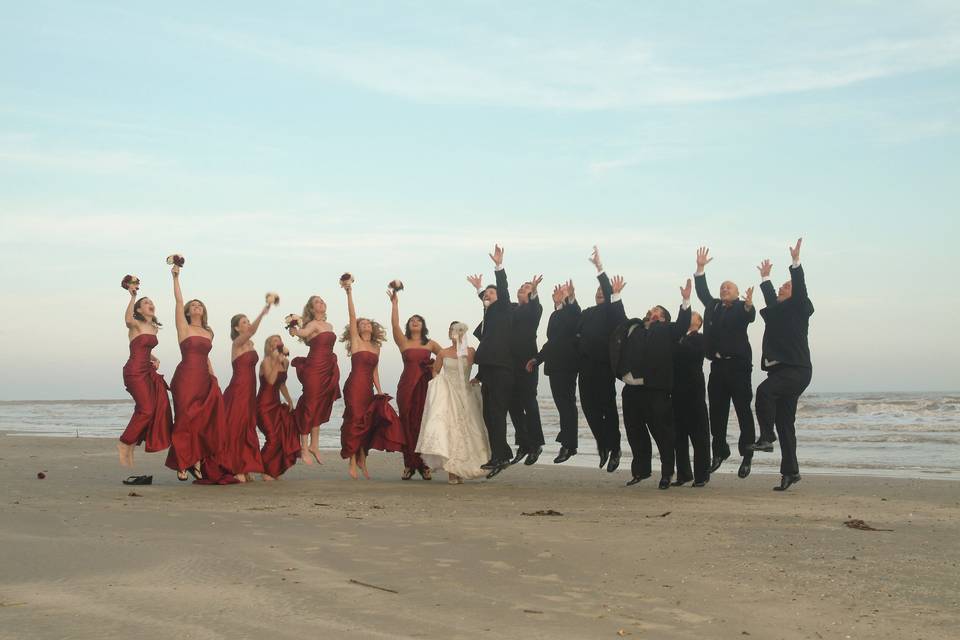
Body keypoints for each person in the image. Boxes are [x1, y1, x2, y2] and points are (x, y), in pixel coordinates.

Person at [610, 280, 692, 489]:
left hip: (655, 390)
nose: (651, 312)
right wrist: (616, 294)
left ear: (663, 319)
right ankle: (641, 471)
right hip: (631, 390)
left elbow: (683, 325)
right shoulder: (634, 327)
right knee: (634, 432)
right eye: (651, 310)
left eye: (656, 311)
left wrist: (685, 300)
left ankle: (667, 473)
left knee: (663, 434)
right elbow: (619, 318)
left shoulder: (667, 331)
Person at [751, 239, 814, 491]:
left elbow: (800, 289)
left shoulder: (799, 307)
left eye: (785, 286)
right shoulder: (778, 311)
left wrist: (795, 264)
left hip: (796, 369)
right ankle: (791, 472)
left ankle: (766, 437)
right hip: (782, 370)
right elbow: (771, 301)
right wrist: (765, 279)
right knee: (785, 422)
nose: (782, 287)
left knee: (764, 392)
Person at [694, 247, 757, 479]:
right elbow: (702, 291)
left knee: (742, 410)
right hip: (718, 368)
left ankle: (747, 454)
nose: (724, 289)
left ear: (738, 293)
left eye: (728, 287)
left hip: (739, 367)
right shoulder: (712, 306)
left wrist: (749, 304)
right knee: (717, 412)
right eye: (722, 287)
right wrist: (700, 268)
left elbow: (750, 315)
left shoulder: (742, 308)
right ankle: (720, 451)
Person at [164, 264, 226, 482]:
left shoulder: (209, 332)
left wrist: (213, 377)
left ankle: (196, 461)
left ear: (203, 311)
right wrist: (175, 277)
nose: (197, 307)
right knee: (184, 420)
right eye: (194, 305)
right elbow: (178, 302)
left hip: (203, 378)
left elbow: (206, 356)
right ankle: (182, 463)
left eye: (200, 305)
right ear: (188, 311)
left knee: (201, 421)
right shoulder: (184, 328)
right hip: (185, 378)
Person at [339, 278, 405, 479]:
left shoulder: (377, 347)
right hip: (354, 386)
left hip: (367, 388)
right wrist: (349, 292)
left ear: (372, 328)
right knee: (354, 421)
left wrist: (379, 390)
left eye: (368, 323)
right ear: (357, 329)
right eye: (362, 323)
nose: (365, 324)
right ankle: (352, 460)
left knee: (366, 423)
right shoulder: (356, 342)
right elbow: (352, 315)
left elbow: (375, 371)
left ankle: (362, 459)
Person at [199, 304, 271, 483]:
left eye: (248, 321)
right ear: (237, 328)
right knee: (236, 428)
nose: (247, 324)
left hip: (249, 391)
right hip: (238, 389)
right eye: (244, 322)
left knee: (247, 427)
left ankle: (245, 467)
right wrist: (262, 311)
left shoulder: (251, 344)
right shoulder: (237, 343)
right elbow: (252, 331)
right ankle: (234, 467)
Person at [416, 322, 492, 483]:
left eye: (458, 330)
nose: (454, 333)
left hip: (466, 394)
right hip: (448, 395)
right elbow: (435, 370)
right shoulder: (443, 353)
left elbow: (485, 365)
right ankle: (452, 470)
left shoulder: (471, 351)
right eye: (451, 330)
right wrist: (439, 383)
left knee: (469, 431)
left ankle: (463, 469)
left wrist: (477, 378)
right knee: (450, 430)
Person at [576, 246, 627, 472]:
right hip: (585, 367)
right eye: (597, 292)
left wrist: (599, 268)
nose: (599, 294)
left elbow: (611, 297)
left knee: (607, 408)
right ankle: (602, 444)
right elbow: (576, 332)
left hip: (604, 367)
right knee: (589, 408)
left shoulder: (612, 311)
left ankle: (614, 449)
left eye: (602, 292)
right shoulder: (587, 312)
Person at [468, 244, 515, 478]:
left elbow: (502, 291)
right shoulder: (489, 313)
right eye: (485, 295)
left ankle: (501, 456)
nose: (487, 296)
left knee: (496, 413)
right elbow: (486, 301)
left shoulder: (504, 308)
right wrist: (479, 289)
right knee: (489, 415)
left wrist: (499, 266)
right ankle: (500, 455)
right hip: (488, 370)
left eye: (490, 293)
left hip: (502, 370)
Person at [118, 282, 173, 470]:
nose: (151, 304)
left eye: (152, 302)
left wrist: (154, 358)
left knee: (149, 409)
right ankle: (125, 443)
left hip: (147, 371)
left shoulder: (154, 328)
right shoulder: (135, 324)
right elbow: (126, 320)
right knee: (147, 409)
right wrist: (132, 297)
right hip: (134, 371)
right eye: (146, 302)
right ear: (139, 309)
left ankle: (131, 446)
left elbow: (144, 348)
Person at [389, 288, 442, 480]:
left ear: (423, 325)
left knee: (423, 423)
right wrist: (395, 304)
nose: (415, 322)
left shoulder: (430, 344)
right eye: (412, 320)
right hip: (406, 387)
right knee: (406, 423)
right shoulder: (403, 342)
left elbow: (445, 358)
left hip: (425, 387)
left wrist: (434, 370)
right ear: (408, 325)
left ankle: (424, 465)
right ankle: (409, 465)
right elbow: (394, 324)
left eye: (418, 320)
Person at [527, 281, 581, 463]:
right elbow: (552, 342)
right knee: (562, 406)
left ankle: (569, 445)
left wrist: (571, 298)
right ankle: (566, 442)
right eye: (559, 293)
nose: (560, 294)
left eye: (564, 293)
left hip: (567, 366)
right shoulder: (555, 314)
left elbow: (574, 314)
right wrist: (537, 359)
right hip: (554, 366)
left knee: (567, 405)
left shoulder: (573, 312)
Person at [289, 294, 341, 466]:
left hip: (327, 368)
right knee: (310, 405)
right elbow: (302, 333)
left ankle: (315, 445)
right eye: (317, 302)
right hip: (314, 368)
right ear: (312, 309)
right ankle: (304, 447)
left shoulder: (329, 325)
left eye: (322, 300)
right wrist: (294, 328)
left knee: (321, 404)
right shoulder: (311, 324)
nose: (322, 303)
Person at [508, 274, 545, 466]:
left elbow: (534, 307)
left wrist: (535, 291)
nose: (523, 288)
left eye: (527, 287)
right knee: (513, 404)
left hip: (528, 362)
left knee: (529, 403)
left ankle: (536, 444)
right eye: (521, 286)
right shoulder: (512, 308)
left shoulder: (534, 308)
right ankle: (523, 444)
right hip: (509, 363)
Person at [672, 311, 711, 487]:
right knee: (678, 436)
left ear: (699, 322)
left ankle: (702, 475)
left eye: (694, 315)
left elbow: (693, 354)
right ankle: (683, 474)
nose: (690, 316)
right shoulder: (676, 336)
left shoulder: (700, 338)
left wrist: (676, 343)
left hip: (694, 391)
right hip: (676, 391)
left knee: (699, 435)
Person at [257, 335, 301, 480]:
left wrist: (289, 400)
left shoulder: (285, 362)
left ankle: (272, 470)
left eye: (279, 340)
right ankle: (263, 469)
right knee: (272, 438)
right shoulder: (265, 362)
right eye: (274, 340)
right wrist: (276, 360)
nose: (278, 342)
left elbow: (281, 384)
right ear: (269, 346)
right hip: (263, 405)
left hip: (276, 403)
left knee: (280, 437)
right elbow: (270, 381)